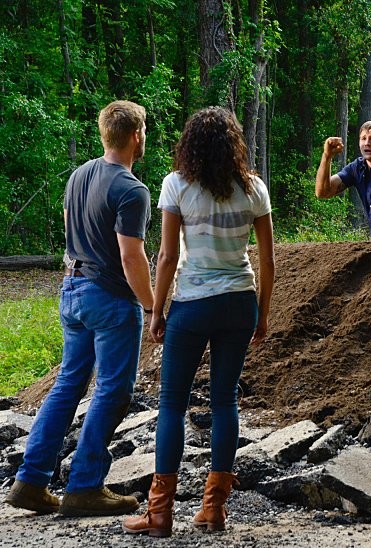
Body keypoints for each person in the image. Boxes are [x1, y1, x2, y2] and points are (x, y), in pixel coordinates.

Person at [122, 107, 275, 537]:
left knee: (172, 402)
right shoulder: (254, 189)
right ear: (234, 146)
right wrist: (262, 313)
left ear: (189, 145)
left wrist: (157, 310)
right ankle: (214, 510)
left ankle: (160, 514)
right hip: (238, 302)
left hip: (192, 303)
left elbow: (168, 255)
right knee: (225, 400)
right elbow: (267, 259)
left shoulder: (176, 185)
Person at [5, 101, 153, 516]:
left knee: (69, 383)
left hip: (71, 289)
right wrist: (152, 303)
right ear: (136, 135)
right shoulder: (131, 189)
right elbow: (130, 257)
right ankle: (85, 485)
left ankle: (31, 481)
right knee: (112, 388)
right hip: (109, 298)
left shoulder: (79, 175)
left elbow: (71, 223)